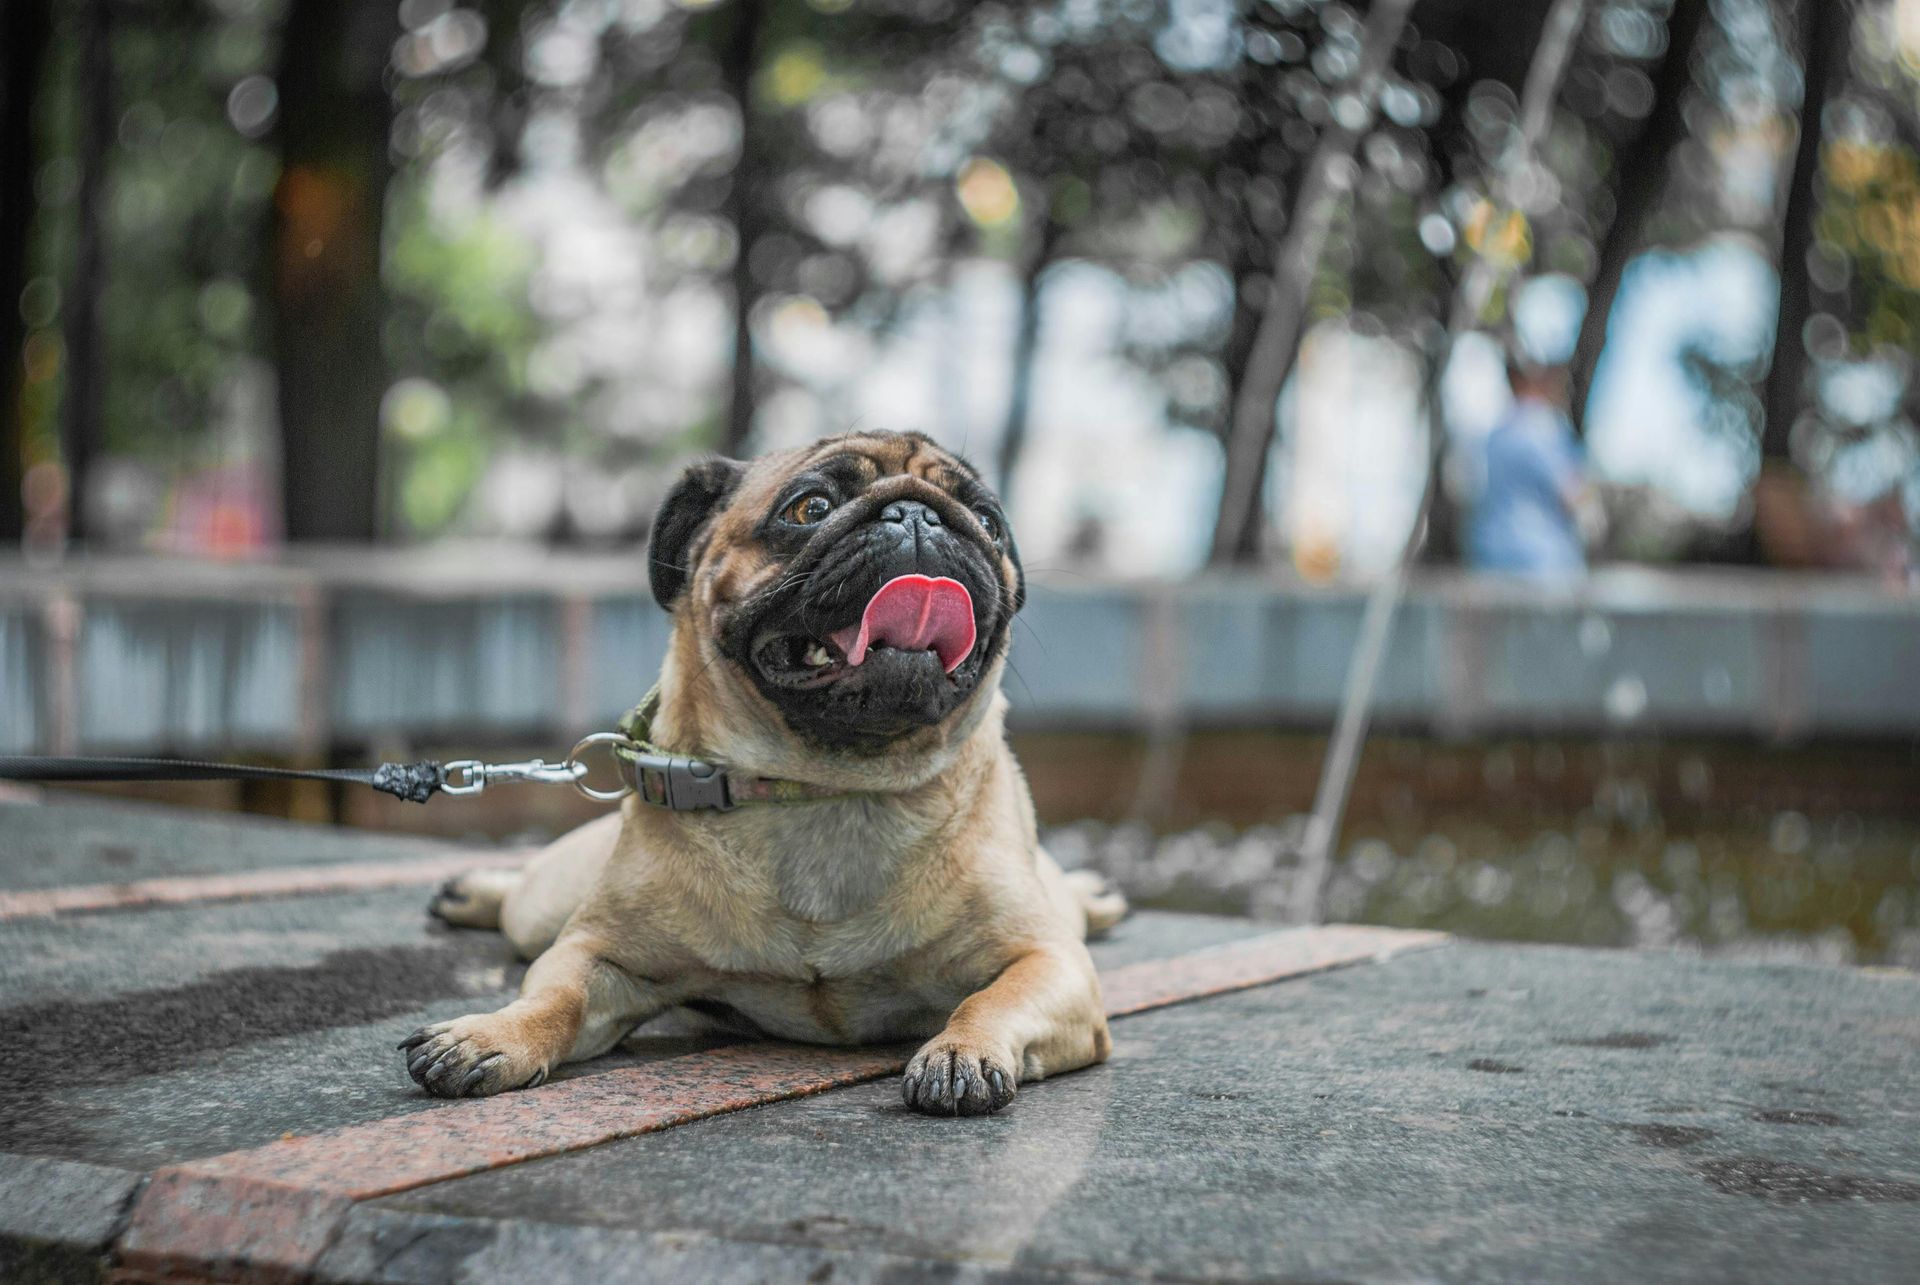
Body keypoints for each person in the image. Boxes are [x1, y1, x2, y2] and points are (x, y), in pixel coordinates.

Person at [1468, 355, 1599, 578]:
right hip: (1543, 564)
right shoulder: (1544, 427)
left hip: (1492, 556)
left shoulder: (1497, 434)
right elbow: (1570, 493)